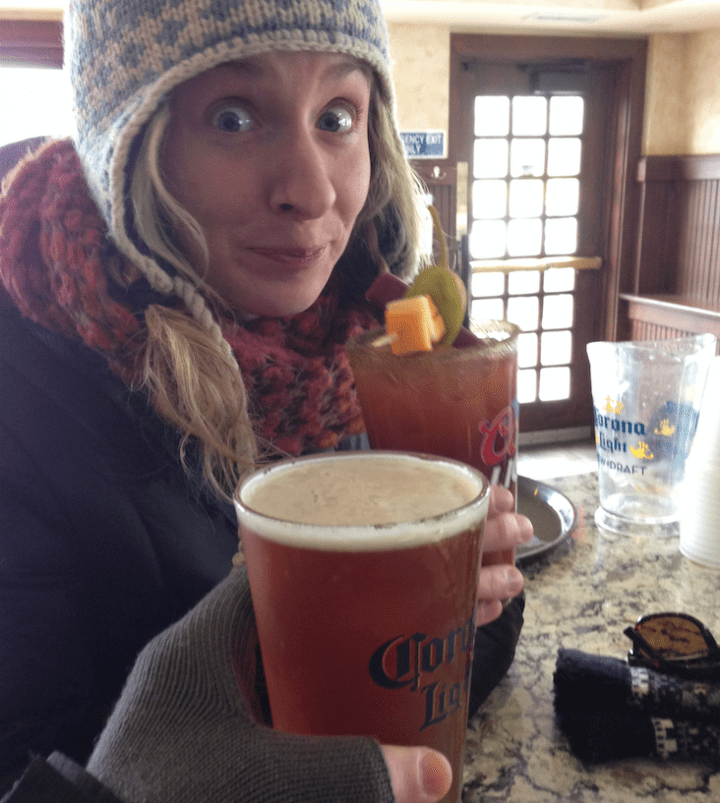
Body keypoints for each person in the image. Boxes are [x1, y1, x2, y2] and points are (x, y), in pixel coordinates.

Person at [0, 0, 532, 799]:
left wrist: (455, 607)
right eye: (234, 117)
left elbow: (463, 639)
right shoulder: (21, 397)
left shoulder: (373, 342)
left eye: (338, 117)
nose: (311, 192)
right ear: (127, 145)